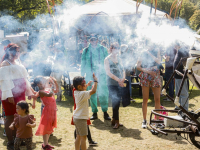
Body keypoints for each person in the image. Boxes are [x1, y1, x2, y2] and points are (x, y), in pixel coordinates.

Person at [0, 43, 34, 149]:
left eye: (19, 51)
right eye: (16, 51)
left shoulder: (18, 62)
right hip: (9, 93)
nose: (18, 53)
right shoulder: (5, 63)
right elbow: (4, 81)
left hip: (20, 92)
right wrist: (9, 94)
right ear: (10, 52)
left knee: (19, 115)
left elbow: (24, 78)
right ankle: (10, 141)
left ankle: (17, 138)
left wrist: (28, 91)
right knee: (10, 117)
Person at [81, 34, 111, 120]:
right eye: (92, 39)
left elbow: (107, 61)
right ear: (89, 40)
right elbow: (83, 62)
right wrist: (82, 74)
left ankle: (105, 112)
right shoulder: (86, 50)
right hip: (90, 75)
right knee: (91, 93)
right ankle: (94, 112)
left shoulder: (103, 49)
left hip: (101, 74)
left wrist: (108, 72)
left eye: (95, 39)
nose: (93, 41)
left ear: (98, 40)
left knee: (103, 93)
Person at [136, 44, 161, 129]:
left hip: (156, 75)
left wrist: (150, 53)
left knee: (157, 99)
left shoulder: (157, 51)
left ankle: (157, 120)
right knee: (145, 99)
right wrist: (147, 71)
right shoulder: (143, 53)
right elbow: (138, 66)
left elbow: (159, 62)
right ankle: (144, 120)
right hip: (145, 75)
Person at [73, 73, 98, 150]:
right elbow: (93, 90)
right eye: (83, 83)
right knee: (83, 138)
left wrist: (86, 85)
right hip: (81, 119)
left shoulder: (76, 92)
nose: (85, 85)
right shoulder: (83, 93)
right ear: (79, 86)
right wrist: (96, 81)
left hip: (77, 118)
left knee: (78, 136)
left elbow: (83, 89)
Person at [33, 76, 58, 150]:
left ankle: (46, 144)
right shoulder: (41, 91)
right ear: (38, 84)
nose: (44, 83)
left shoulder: (46, 89)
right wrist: (51, 86)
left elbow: (57, 90)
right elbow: (50, 94)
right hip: (47, 110)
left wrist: (55, 82)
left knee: (50, 126)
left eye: (44, 82)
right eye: (43, 82)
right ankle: (45, 145)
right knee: (46, 128)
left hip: (52, 110)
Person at [104, 42, 125, 129]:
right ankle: (117, 121)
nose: (116, 49)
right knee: (115, 102)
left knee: (118, 101)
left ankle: (114, 119)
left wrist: (123, 79)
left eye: (117, 48)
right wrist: (118, 79)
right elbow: (108, 72)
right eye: (114, 48)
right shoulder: (107, 59)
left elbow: (123, 69)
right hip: (111, 83)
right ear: (111, 49)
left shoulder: (119, 59)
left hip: (120, 82)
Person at [173, 42, 189, 111]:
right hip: (178, 75)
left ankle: (184, 109)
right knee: (178, 92)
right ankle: (178, 107)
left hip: (181, 75)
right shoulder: (179, 50)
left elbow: (187, 60)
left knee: (183, 93)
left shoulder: (182, 50)